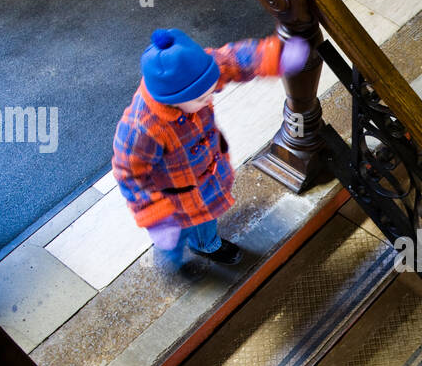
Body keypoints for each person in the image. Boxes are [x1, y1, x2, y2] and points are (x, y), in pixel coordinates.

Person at [112, 27, 310, 269]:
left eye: (210, 91)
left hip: (204, 172)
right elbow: (129, 174)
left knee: (203, 216)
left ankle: (181, 245)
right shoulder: (141, 128)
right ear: (171, 99)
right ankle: (199, 246)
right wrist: (155, 218)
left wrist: (273, 56)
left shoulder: (196, 72)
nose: (209, 98)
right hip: (176, 193)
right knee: (192, 223)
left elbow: (233, 60)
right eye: (200, 99)